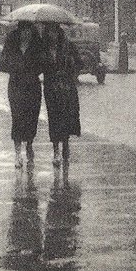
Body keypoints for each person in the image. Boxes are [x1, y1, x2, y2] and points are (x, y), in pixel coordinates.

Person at [0, 20, 45, 167]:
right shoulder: (11, 44)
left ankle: (29, 144)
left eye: (29, 30)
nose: (26, 34)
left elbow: (43, 65)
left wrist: (32, 67)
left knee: (32, 117)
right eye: (24, 30)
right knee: (17, 118)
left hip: (32, 86)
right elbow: (1, 65)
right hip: (16, 86)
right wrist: (15, 65)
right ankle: (17, 153)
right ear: (19, 31)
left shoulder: (37, 44)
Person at [42, 25, 82, 167]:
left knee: (65, 118)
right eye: (49, 32)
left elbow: (79, 64)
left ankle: (65, 145)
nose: (52, 35)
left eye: (54, 32)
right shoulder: (43, 49)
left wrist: (69, 69)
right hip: (51, 88)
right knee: (53, 118)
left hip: (66, 87)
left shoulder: (68, 47)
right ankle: (55, 150)